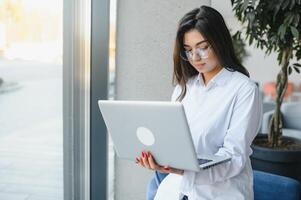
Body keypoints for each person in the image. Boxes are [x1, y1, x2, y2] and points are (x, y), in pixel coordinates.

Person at [135, 5, 262, 200]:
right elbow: (173, 142)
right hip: (177, 189)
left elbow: (234, 159)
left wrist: (185, 170)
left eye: (202, 47)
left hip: (220, 193)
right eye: (188, 50)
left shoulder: (244, 90)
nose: (195, 57)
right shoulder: (184, 88)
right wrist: (159, 158)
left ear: (219, 42)